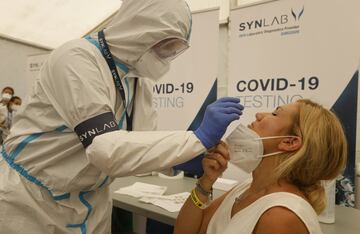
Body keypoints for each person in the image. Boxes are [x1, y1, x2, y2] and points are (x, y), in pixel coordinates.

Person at [0, 0, 244, 233]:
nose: (168, 56)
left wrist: (189, 156)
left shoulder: (137, 81)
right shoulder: (76, 58)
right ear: (139, 26)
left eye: (175, 49)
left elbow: (140, 145)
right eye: (167, 45)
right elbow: (106, 150)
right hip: (31, 200)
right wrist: (197, 139)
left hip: (90, 200)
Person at [175, 99, 347, 234]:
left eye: (274, 113)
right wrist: (206, 181)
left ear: (289, 142)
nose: (259, 114)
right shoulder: (247, 187)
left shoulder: (281, 216)